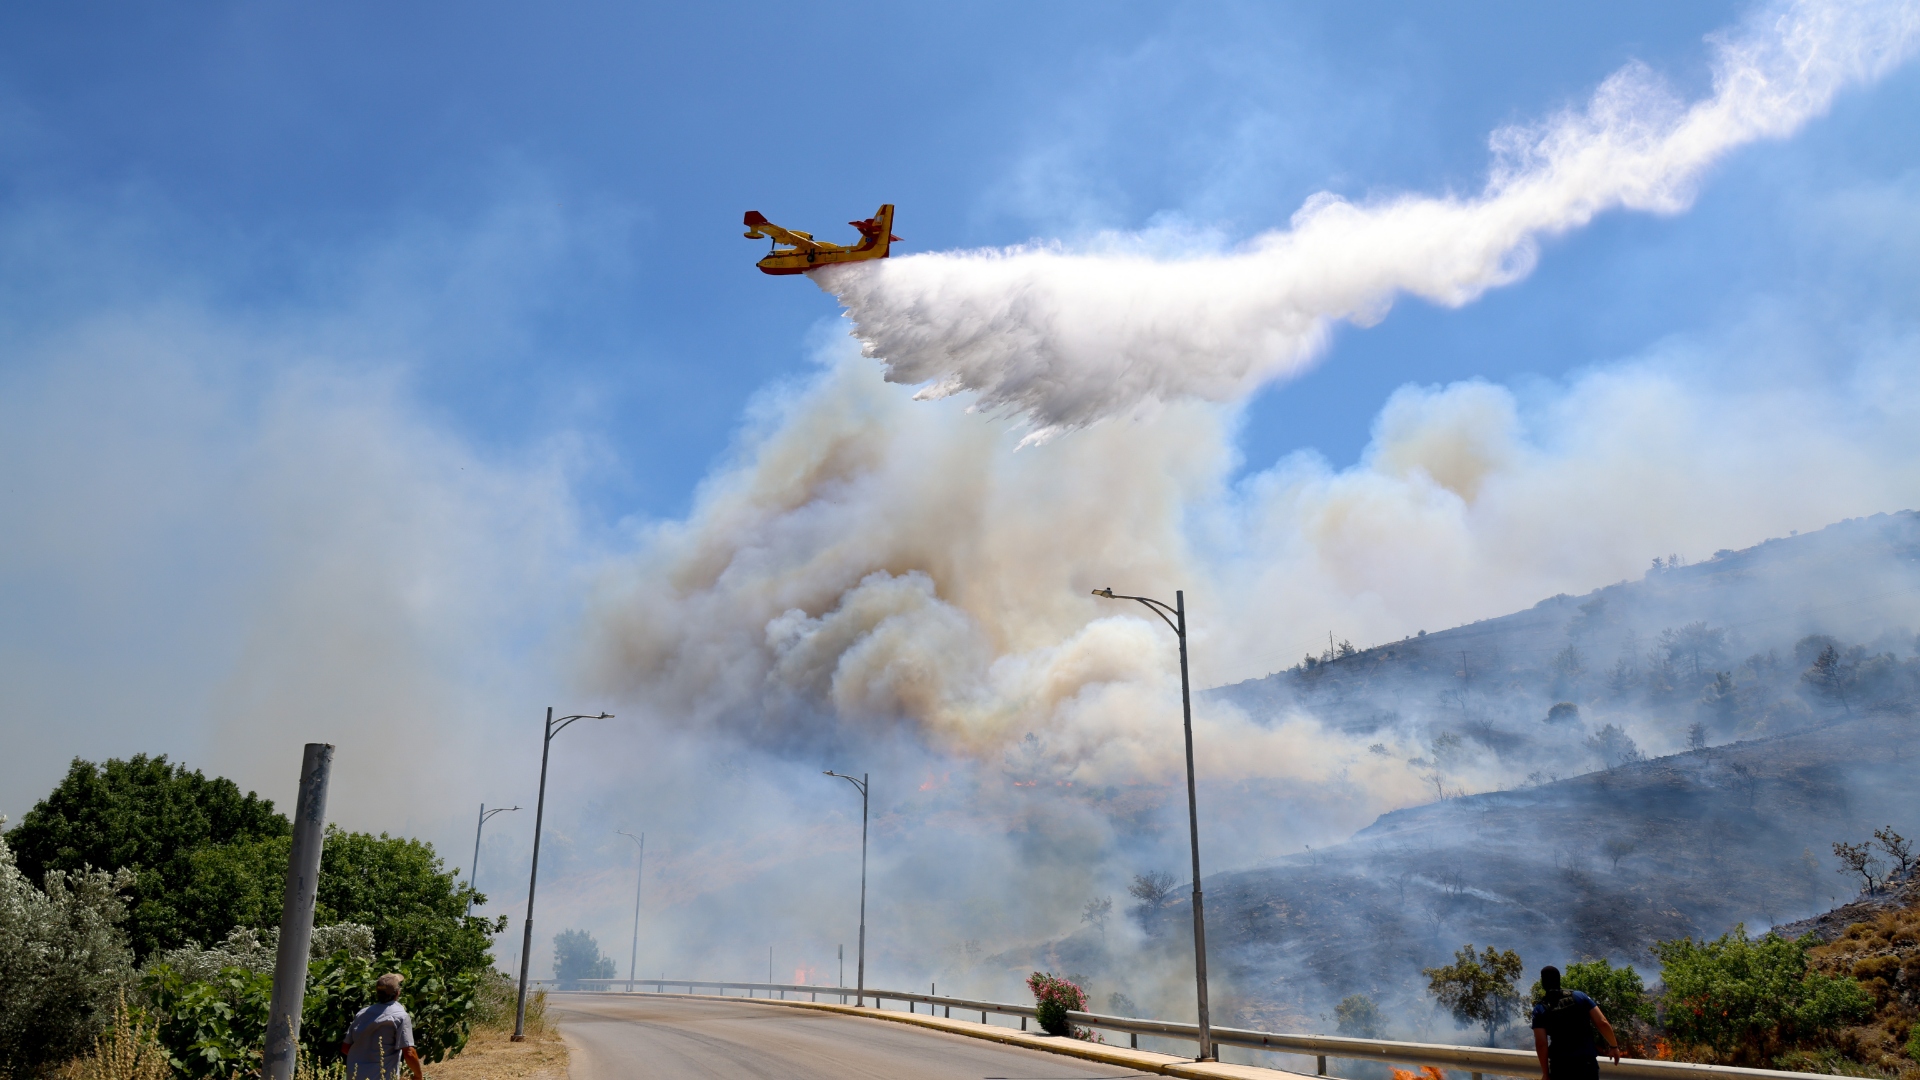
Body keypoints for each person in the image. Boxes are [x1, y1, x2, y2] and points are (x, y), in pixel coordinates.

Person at [1531, 966, 1622, 1080]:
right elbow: (1602, 1022)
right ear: (1559, 979)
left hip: (1560, 1066)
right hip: (1586, 1065)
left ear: (1543, 983)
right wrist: (1614, 1046)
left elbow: (1541, 1043)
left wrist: (1546, 1073)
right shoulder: (1579, 996)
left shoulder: (1540, 1009)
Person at [340, 973, 425, 1080]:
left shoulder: (362, 1013)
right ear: (397, 993)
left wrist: (366, 1061)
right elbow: (409, 1053)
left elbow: (345, 1048)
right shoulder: (400, 1016)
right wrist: (418, 1076)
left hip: (355, 1075)